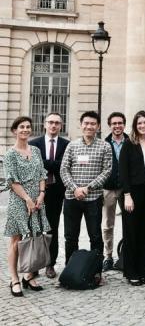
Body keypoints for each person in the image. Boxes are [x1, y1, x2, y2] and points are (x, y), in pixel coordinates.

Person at [60, 111, 112, 277]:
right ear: (81, 125)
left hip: (93, 199)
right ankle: (70, 271)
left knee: (95, 236)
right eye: (86, 123)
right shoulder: (72, 145)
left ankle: (96, 273)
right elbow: (64, 169)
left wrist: (88, 188)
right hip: (71, 198)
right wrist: (75, 188)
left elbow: (107, 171)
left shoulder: (105, 146)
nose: (89, 126)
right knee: (70, 237)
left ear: (98, 126)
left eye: (92, 124)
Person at [4, 116, 51, 297]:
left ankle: (29, 275)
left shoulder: (36, 150)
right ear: (15, 131)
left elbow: (42, 174)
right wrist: (27, 199)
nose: (25, 129)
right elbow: (12, 181)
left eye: (28, 127)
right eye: (21, 127)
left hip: (37, 200)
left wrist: (41, 194)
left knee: (35, 237)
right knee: (16, 241)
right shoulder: (10, 154)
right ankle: (14, 279)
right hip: (19, 200)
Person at [118, 110, 145, 285]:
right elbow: (123, 172)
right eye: (139, 123)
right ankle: (131, 271)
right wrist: (127, 195)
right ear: (135, 126)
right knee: (132, 232)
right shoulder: (129, 144)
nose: (143, 126)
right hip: (134, 192)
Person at [29, 112, 69, 279]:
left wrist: (45, 163)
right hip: (36, 191)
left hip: (56, 191)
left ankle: (50, 264)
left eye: (57, 123)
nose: (53, 126)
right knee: (35, 228)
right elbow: (34, 166)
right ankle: (35, 264)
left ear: (61, 126)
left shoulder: (66, 145)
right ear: (45, 124)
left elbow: (64, 166)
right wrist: (54, 164)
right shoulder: (34, 144)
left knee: (52, 227)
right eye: (51, 122)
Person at [101, 111, 128, 272]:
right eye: (114, 123)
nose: (117, 126)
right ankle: (108, 256)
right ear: (109, 125)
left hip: (126, 190)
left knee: (129, 223)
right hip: (108, 189)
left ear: (124, 124)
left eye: (120, 123)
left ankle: (126, 255)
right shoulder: (104, 143)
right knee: (107, 224)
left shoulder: (131, 142)